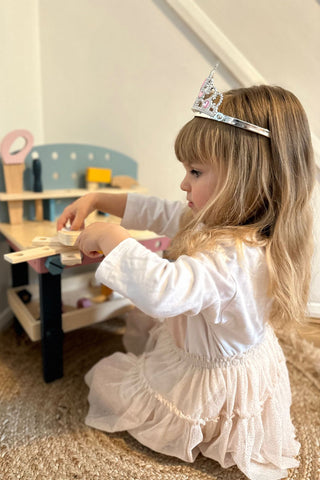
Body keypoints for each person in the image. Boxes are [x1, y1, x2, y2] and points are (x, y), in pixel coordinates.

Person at [56, 65, 315, 480]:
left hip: (211, 377)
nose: (183, 183)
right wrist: (100, 198)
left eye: (195, 172)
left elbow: (163, 291)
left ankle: (203, 424)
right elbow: (161, 212)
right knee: (143, 335)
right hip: (236, 352)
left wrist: (110, 236)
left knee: (111, 383)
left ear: (245, 181)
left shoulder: (231, 254)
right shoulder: (239, 227)